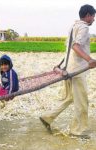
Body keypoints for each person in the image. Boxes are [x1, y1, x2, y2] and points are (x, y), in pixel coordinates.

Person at [40, 4, 96, 138]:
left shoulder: (74, 26)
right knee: (82, 101)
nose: (94, 19)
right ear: (88, 15)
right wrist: (90, 60)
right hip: (77, 70)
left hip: (68, 68)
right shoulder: (83, 28)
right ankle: (78, 131)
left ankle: (47, 117)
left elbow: (69, 47)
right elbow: (75, 46)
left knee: (70, 97)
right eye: (93, 16)